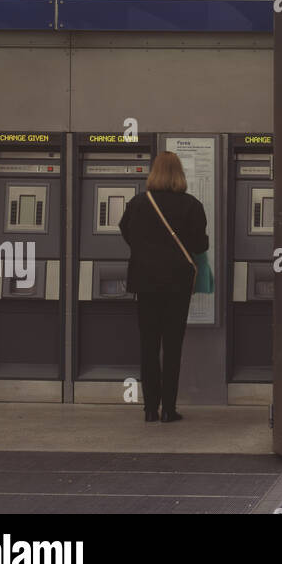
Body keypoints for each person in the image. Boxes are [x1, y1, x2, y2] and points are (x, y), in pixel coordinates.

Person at [118, 151, 209, 423]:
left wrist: (148, 252)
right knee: (172, 347)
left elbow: (127, 233)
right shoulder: (191, 205)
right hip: (177, 285)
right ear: (179, 174)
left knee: (148, 346)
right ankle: (168, 409)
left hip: (145, 284)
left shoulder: (137, 203)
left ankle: (149, 409)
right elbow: (200, 246)